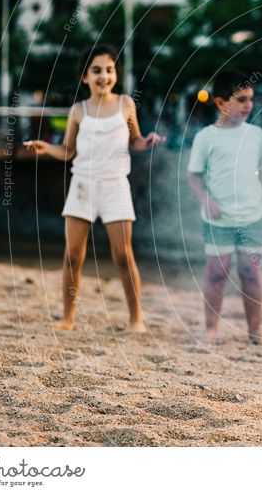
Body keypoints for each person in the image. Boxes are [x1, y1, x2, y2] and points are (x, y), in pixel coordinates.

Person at [24, 45, 165, 332]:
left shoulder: (126, 104)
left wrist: (146, 142)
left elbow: (134, 141)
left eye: (109, 70)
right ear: (84, 78)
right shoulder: (78, 110)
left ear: (116, 74)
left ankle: (136, 319)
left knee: (123, 255)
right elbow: (68, 151)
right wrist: (46, 148)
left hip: (115, 186)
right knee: (73, 256)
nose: (104, 76)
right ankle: (68, 317)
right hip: (82, 187)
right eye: (97, 70)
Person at [187, 70, 262, 344]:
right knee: (217, 273)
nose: (248, 105)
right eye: (241, 99)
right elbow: (194, 176)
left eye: (250, 99)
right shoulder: (206, 138)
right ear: (221, 103)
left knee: (250, 273)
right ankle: (211, 329)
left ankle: (255, 330)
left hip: (252, 216)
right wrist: (205, 199)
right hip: (218, 219)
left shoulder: (257, 135)